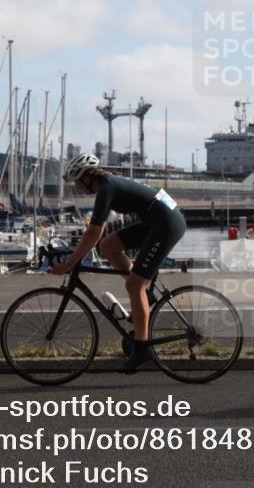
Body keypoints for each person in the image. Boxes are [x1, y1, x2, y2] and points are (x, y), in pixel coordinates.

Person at [50, 153, 187, 373]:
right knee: (108, 246)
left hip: (167, 223)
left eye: (77, 181)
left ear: (87, 177)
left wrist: (70, 263)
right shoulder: (108, 183)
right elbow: (98, 237)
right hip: (159, 219)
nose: (77, 187)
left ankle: (142, 349)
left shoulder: (107, 187)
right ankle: (146, 295)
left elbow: (94, 230)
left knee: (133, 285)